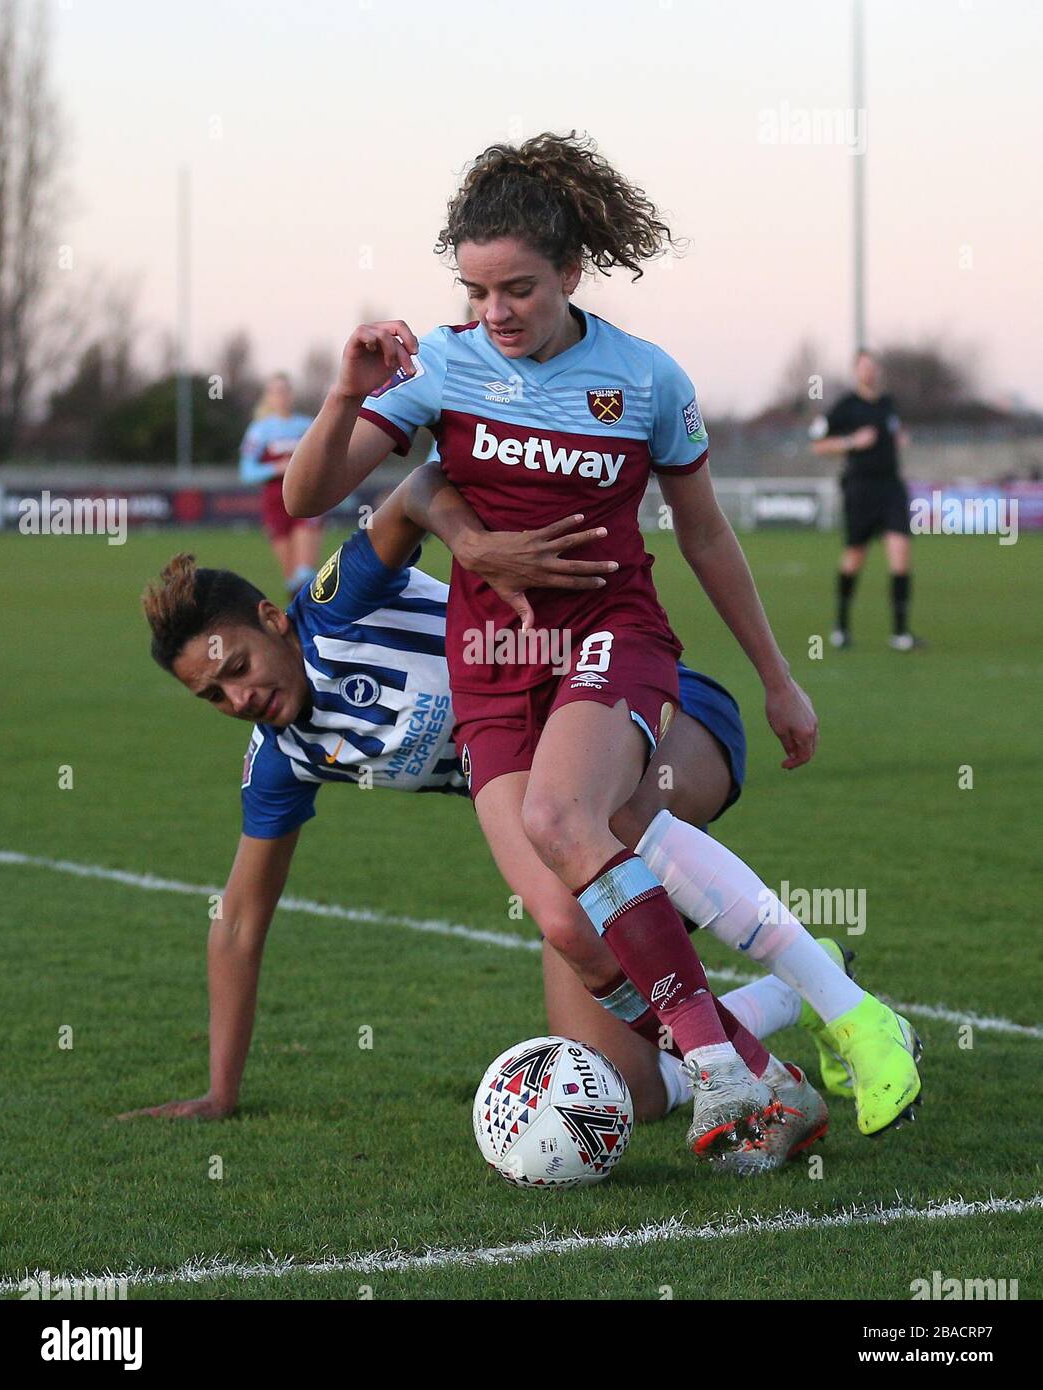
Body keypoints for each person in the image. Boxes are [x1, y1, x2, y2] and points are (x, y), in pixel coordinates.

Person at [283, 132, 922, 1154]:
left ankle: (728, 1068)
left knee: (564, 814)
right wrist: (343, 389)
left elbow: (704, 533)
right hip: (490, 677)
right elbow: (305, 494)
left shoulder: (645, 379)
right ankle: (772, 1077)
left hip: (609, 638)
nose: (496, 313)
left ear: (571, 270)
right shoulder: (440, 366)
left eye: (519, 289)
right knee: (571, 927)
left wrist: (776, 676)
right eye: (476, 289)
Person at [126, 470, 846, 1174]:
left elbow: (414, 489)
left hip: (669, 718)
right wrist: (221, 1093)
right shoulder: (283, 756)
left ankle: (805, 1035)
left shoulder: (339, 605)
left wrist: (467, 542)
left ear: (274, 620)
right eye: (213, 695)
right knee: (622, 1088)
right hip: (562, 830)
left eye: (240, 667)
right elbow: (241, 922)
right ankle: (793, 1001)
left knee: (593, 841)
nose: (238, 695)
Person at [810, 349, 922, 650]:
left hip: (892, 488)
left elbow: (895, 431)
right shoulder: (846, 407)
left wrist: (899, 439)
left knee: (900, 553)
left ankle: (901, 633)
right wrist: (851, 441)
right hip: (861, 489)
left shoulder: (888, 404)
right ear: (856, 371)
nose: (869, 372)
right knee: (854, 558)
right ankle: (841, 627)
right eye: (864, 367)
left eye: (873, 367)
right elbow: (818, 445)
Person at [239, 373, 324, 597]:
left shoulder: (307, 425)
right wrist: (277, 468)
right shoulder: (259, 431)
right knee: (292, 583)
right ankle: (299, 627)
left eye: (285, 391)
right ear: (268, 397)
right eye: (276, 392)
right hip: (275, 505)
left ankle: (319, 625)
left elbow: (324, 459)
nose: (282, 396)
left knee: (305, 576)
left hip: (307, 501)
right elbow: (247, 472)